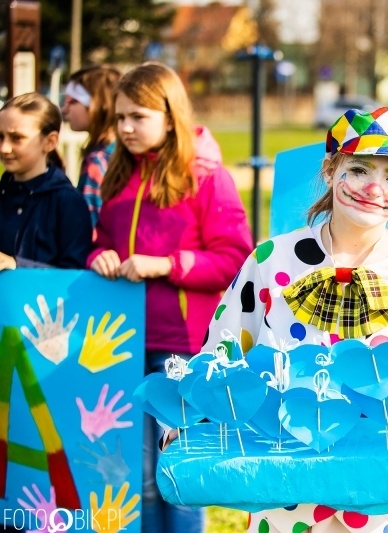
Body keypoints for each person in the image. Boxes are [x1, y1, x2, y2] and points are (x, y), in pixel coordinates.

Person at [201, 106, 388, 533]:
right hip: (288, 496)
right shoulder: (272, 261)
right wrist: (191, 420)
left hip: (387, 498)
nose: (375, 189)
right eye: (358, 170)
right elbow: (221, 354)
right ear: (329, 170)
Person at [87, 62, 253, 533]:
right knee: (137, 479)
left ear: (169, 115)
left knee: (179, 475)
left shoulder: (206, 177)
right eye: (120, 117)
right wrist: (98, 255)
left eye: (137, 117)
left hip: (180, 350)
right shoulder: (117, 175)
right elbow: (101, 239)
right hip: (120, 344)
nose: (125, 128)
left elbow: (236, 259)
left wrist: (166, 265)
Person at [0, 92, 92, 271]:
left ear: (50, 141)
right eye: (0, 137)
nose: (5, 148)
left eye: (17, 138)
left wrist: (16, 266)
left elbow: (75, 274)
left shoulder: (67, 202)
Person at [62, 65, 122, 227]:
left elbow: (90, 225)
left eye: (72, 101)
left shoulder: (98, 161)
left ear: (97, 104)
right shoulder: (123, 150)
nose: (64, 109)